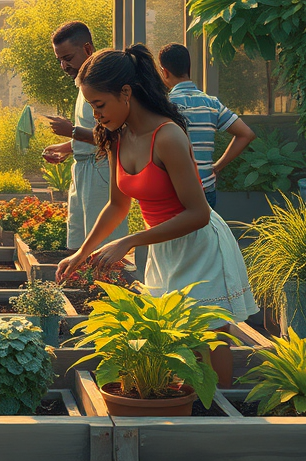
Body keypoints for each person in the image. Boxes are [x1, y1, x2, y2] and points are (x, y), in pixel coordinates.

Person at [55, 45, 257, 386]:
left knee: (208, 337)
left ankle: (218, 416)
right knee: (174, 341)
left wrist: (129, 241)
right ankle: (190, 413)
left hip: (199, 246)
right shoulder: (118, 137)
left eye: (99, 105)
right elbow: (117, 206)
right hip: (164, 246)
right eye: (91, 106)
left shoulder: (168, 136)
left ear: (126, 92)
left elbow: (199, 214)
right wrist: (82, 252)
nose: (96, 115)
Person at [42, 21, 125, 250]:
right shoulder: (84, 83)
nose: (63, 65)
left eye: (68, 57)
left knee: (102, 244)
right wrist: (66, 147)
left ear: (88, 49)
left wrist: (71, 131)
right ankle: (86, 285)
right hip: (83, 169)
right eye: (59, 59)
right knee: (80, 242)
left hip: (101, 171)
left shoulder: (104, 82)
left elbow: (116, 136)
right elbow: (94, 133)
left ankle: (105, 285)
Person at [157, 44, 257, 210]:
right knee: (206, 236)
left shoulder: (163, 106)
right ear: (188, 68)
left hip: (174, 191)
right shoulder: (211, 103)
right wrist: (217, 166)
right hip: (206, 188)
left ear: (164, 71)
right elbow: (246, 134)